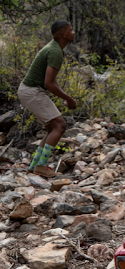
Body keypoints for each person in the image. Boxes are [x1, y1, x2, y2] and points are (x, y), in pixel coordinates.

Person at [17, 20, 77, 178]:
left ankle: (34, 166)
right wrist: (69, 99)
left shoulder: (54, 48)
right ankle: (41, 166)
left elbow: (51, 79)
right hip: (32, 91)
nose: (73, 32)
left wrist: (65, 96)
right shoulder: (55, 51)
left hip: (29, 90)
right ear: (63, 33)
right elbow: (48, 83)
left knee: (52, 129)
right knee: (60, 125)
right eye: (71, 30)